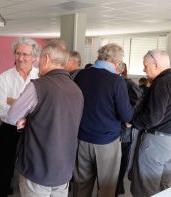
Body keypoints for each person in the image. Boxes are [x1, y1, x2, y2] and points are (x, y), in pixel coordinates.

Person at [7, 39, 84, 197]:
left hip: (38, 167)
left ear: (47, 59)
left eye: (39, 58)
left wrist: (27, 119)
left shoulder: (38, 86)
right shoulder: (77, 90)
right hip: (64, 168)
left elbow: (12, 116)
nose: (37, 63)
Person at [72, 43, 133, 197]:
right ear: (117, 60)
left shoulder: (81, 75)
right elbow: (126, 115)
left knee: (81, 186)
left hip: (82, 139)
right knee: (106, 188)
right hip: (107, 141)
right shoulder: (116, 81)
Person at [0, 37, 39, 197]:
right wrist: (26, 108)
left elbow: (42, 107)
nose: (21, 58)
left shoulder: (41, 77)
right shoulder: (4, 78)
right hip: (9, 131)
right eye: (18, 53)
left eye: (26, 54)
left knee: (32, 173)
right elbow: (0, 109)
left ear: (34, 57)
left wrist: (14, 102)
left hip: (33, 132)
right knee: (3, 173)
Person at [130, 49, 171, 197]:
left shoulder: (161, 82)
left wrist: (133, 122)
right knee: (165, 186)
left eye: (145, 66)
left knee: (145, 188)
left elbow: (153, 117)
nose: (143, 70)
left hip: (157, 142)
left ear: (156, 64)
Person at [115, 63, 142, 196]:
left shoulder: (129, 84)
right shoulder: (112, 82)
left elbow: (140, 101)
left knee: (122, 161)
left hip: (124, 132)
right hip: (114, 130)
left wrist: (130, 120)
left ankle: (119, 185)